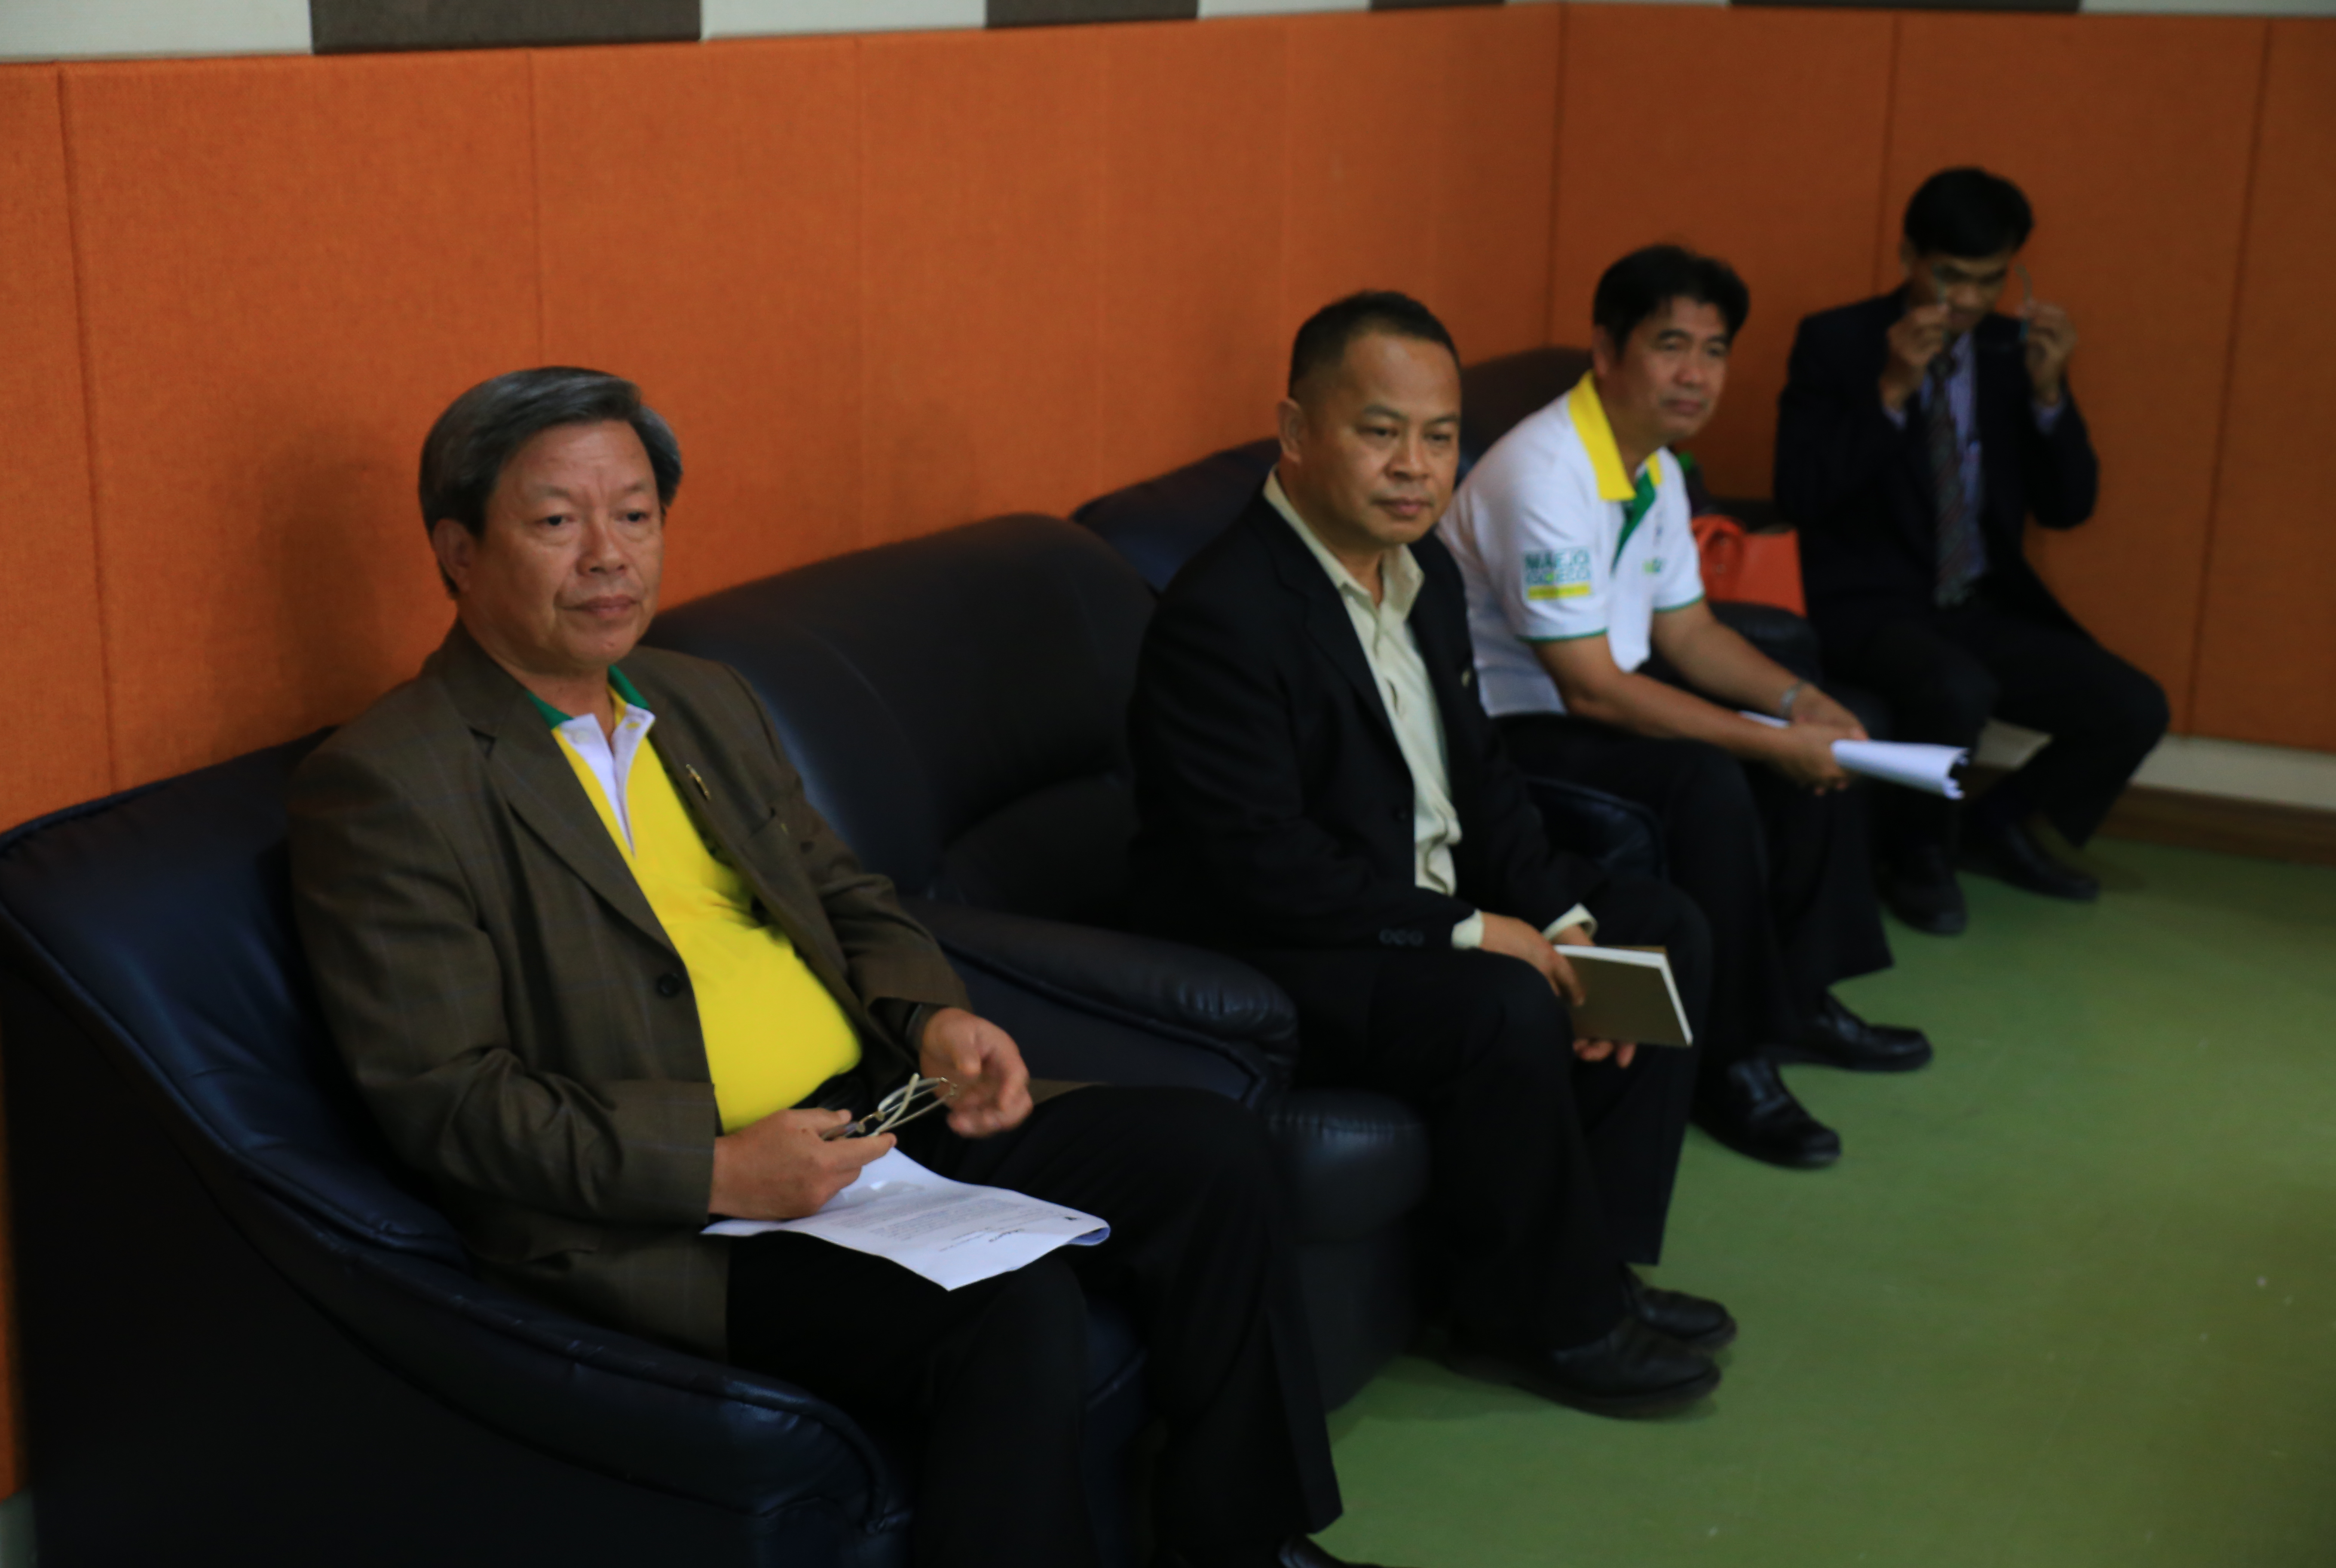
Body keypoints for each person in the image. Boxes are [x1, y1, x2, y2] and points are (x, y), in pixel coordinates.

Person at [286, 367, 1388, 1568]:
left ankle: (1242, 1549)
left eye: (636, 515)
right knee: (1010, 1308)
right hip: (672, 1210)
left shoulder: (698, 700)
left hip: (874, 1112)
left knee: (1213, 1154)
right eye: (558, 521)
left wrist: (933, 1021)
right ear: (457, 551)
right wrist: (716, 1169)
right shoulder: (393, 781)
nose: (609, 556)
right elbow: (447, 1099)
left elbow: (850, 896)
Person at [1129, 293, 1732, 1420]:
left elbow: (1483, 784)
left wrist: (1563, 921)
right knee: (1502, 1002)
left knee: (1659, 934)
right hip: (1285, 943)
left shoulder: (1426, 572)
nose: (1415, 467)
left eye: (1441, 437)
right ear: (1296, 430)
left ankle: (1592, 1268)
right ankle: (1542, 1324)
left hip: (1408, 903)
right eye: (1380, 432)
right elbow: (1261, 864)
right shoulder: (1226, 612)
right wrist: (1470, 930)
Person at [1438, 246, 1928, 1173]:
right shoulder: (1543, 472)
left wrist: (1801, 704)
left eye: (1714, 350)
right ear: (1607, 350)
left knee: (1814, 737)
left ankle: (1799, 1001)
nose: (1696, 373)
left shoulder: (1652, 465)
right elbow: (1590, 686)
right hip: (1508, 732)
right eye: (1671, 346)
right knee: (1709, 777)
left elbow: (1690, 631)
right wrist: (1766, 742)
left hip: (1585, 705)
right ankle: (1728, 1060)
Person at [1776, 167, 2170, 934]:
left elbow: (2070, 507)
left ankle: (1997, 825)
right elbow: (1802, 495)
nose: (1965, 300)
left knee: (2134, 707)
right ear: (1908, 257)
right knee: (1956, 688)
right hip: (1864, 604)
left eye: (1989, 281)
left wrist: (2051, 396)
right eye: (1949, 275)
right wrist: (1891, 391)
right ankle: (1919, 854)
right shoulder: (1837, 341)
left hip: (1974, 601)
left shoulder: (2008, 351)